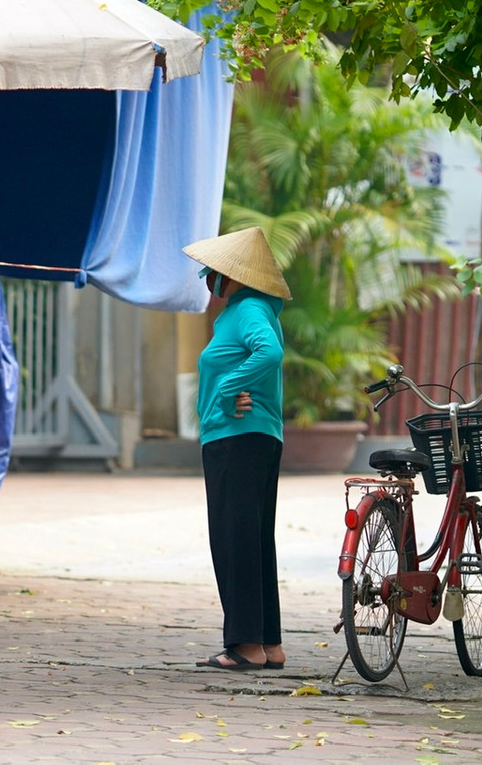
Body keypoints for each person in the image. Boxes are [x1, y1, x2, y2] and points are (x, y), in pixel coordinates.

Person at [182, 227, 291, 672]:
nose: (208, 279)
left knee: (234, 539)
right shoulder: (249, 311)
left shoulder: (246, 309)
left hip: (236, 439)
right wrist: (236, 388)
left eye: (213, 272)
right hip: (251, 438)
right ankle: (267, 643)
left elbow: (268, 354)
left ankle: (245, 646)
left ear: (235, 276)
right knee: (253, 539)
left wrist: (229, 388)